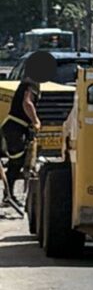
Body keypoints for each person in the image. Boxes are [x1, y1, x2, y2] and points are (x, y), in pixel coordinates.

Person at [1, 80, 40, 209]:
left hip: (17, 127)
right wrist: (35, 121)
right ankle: (9, 194)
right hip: (15, 127)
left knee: (17, 163)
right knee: (18, 161)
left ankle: (9, 194)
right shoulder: (32, 82)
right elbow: (27, 103)